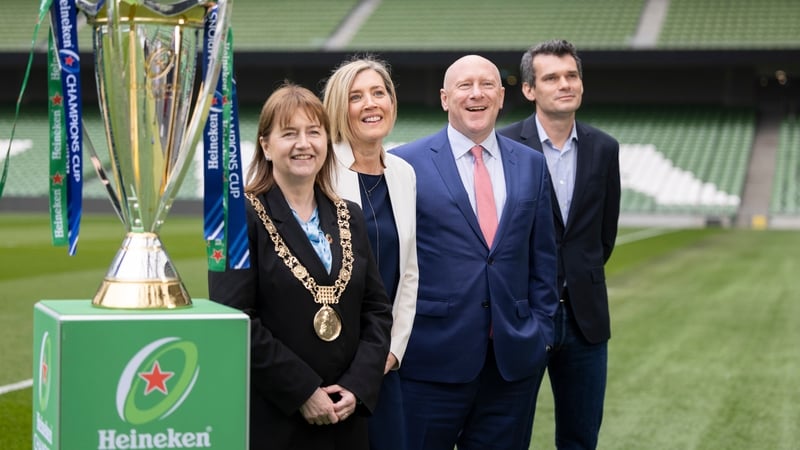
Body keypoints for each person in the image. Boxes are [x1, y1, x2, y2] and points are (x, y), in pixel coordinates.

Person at [208, 83, 393, 450]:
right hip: (276, 416)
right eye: (289, 133)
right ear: (266, 145)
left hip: (345, 415)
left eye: (313, 132)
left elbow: (376, 310)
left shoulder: (349, 215)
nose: (303, 144)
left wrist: (357, 385)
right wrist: (303, 391)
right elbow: (235, 319)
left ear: (326, 141)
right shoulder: (238, 218)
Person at [390, 54, 559, 450]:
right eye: (464, 86)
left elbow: (544, 259)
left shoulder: (532, 165)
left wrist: (541, 334)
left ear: (501, 96)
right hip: (430, 361)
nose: (476, 94)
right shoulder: (404, 164)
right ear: (445, 98)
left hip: (511, 365)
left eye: (487, 85)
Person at [499, 39, 621, 450]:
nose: (565, 84)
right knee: (507, 436)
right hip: (524, 317)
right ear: (529, 89)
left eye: (571, 75)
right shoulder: (504, 146)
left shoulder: (605, 148)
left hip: (586, 320)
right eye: (551, 78)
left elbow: (604, 237)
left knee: (580, 438)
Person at [323, 56, 418, 450]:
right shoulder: (320, 169)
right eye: (356, 96)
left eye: (379, 93)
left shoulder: (403, 173)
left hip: (382, 363)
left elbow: (409, 273)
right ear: (338, 107)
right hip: (328, 365)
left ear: (392, 102)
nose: (370, 104)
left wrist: (392, 353)